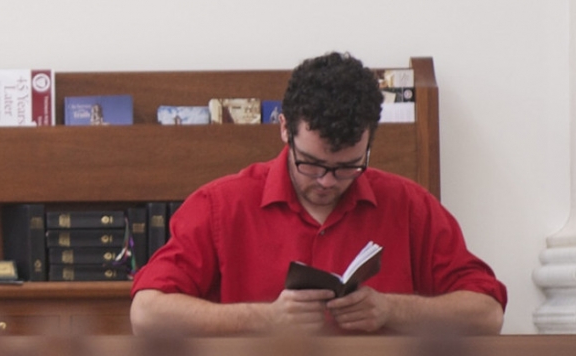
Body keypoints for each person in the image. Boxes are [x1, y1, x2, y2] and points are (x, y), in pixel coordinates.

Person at [128, 52, 505, 336]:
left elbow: (488, 314)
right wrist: (266, 319)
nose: (327, 182)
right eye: (311, 163)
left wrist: (392, 310)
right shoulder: (220, 205)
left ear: (370, 143)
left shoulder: (410, 206)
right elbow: (146, 313)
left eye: (347, 168)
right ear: (283, 130)